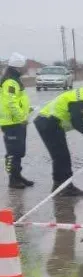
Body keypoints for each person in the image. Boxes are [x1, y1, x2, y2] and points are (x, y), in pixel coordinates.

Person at [34, 84, 83, 197]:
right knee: (61, 156)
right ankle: (64, 187)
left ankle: (61, 186)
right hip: (49, 123)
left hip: (50, 123)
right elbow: (77, 122)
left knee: (61, 156)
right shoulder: (80, 101)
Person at [0, 53, 34, 188]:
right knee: (13, 152)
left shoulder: (15, 79)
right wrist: (21, 117)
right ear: (18, 67)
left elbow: (17, 101)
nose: (26, 67)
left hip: (17, 122)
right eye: (24, 65)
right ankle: (13, 180)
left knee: (19, 151)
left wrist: (27, 110)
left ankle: (18, 176)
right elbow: (11, 102)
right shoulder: (10, 81)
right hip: (12, 123)